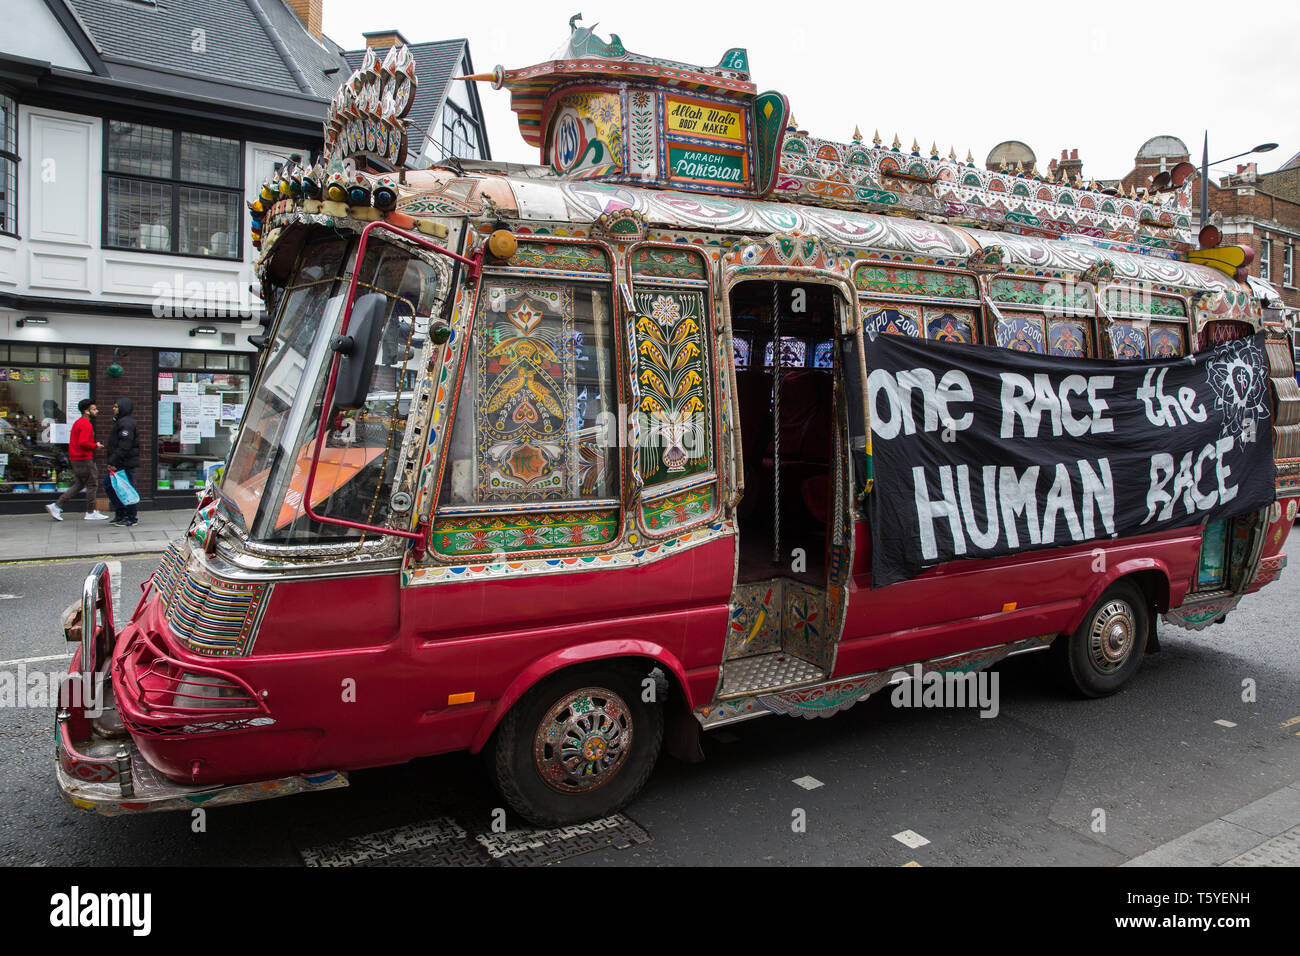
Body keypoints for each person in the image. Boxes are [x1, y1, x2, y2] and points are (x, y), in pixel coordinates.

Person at [46, 399, 108, 521]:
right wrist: (96, 445)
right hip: (84, 459)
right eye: (94, 409)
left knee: (79, 484)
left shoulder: (78, 423)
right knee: (92, 484)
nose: (97, 411)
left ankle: (56, 506)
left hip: (76, 459)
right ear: (86, 411)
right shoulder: (86, 424)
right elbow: (83, 443)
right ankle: (90, 512)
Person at [104, 397, 140, 527]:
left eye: (116, 407)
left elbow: (125, 445)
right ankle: (121, 513)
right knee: (110, 486)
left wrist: (113, 460)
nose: (113, 409)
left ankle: (131, 517)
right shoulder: (121, 422)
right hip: (120, 462)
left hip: (124, 462)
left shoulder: (126, 423)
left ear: (123, 408)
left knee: (126, 489)